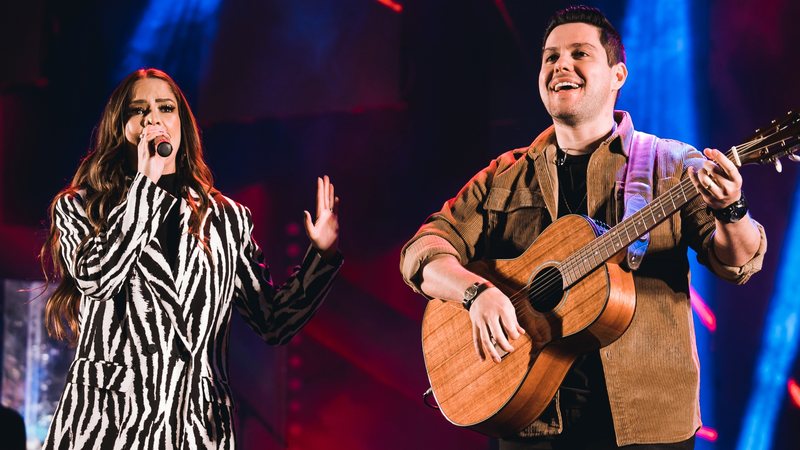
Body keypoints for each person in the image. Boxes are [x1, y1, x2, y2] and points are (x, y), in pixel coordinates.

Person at [400, 5, 765, 450]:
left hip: (648, 427)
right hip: (528, 419)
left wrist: (732, 208)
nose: (560, 66)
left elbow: (738, 263)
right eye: (550, 57)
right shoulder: (504, 177)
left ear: (618, 76)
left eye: (579, 53)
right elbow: (422, 252)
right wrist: (476, 293)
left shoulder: (671, 165)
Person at [40, 68, 342, 449]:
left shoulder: (226, 219)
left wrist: (323, 254)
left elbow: (274, 321)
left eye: (165, 108)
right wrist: (144, 186)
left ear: (182, 126)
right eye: (138, 110)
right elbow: (97, 279)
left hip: (195, 428)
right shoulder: (80, 207)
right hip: (108, 425)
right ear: (121, 129)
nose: (153, 118)